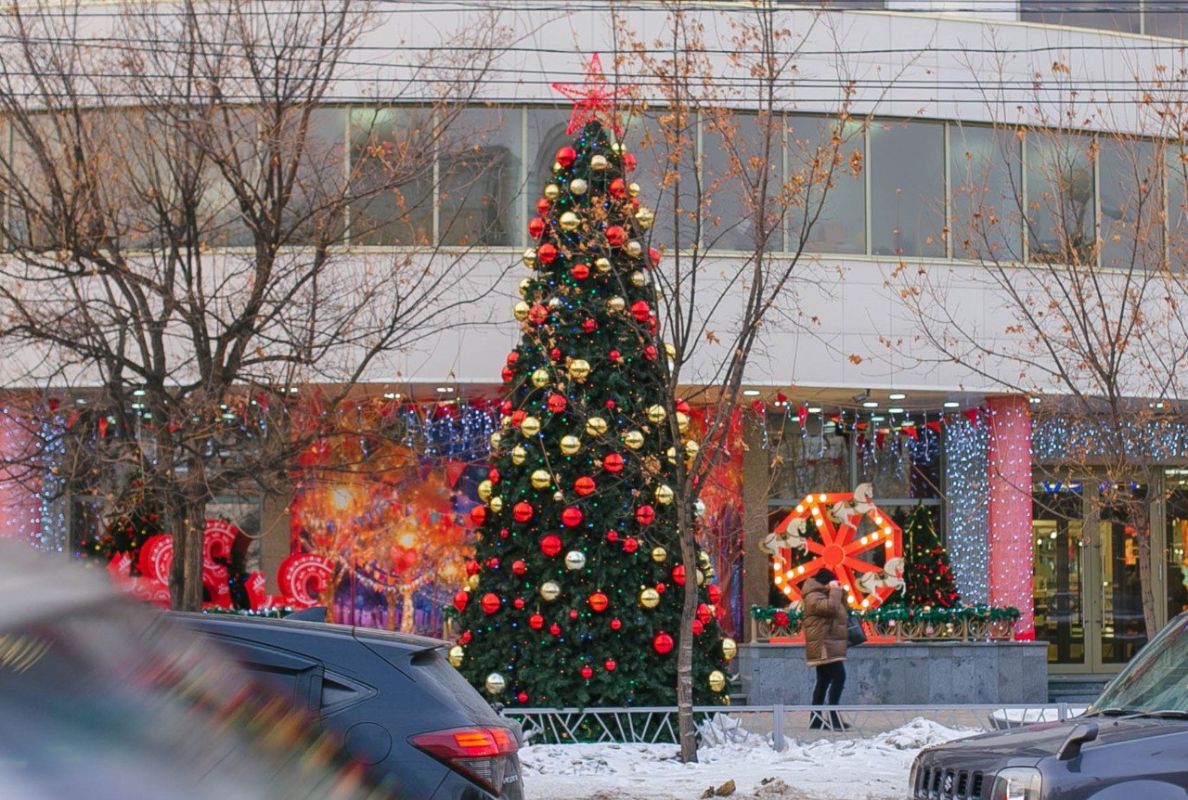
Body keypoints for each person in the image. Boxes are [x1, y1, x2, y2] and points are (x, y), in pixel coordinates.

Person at [802, 567, 849, 730]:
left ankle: (815, 720)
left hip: (828, 643)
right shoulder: (813, 595)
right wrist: (835, 591)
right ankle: (833, 716)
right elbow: (830, 609)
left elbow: (840, 610)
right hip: (824, 645)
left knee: (823, 681)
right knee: (839, 677)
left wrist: (839, 592)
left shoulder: (823, 594)